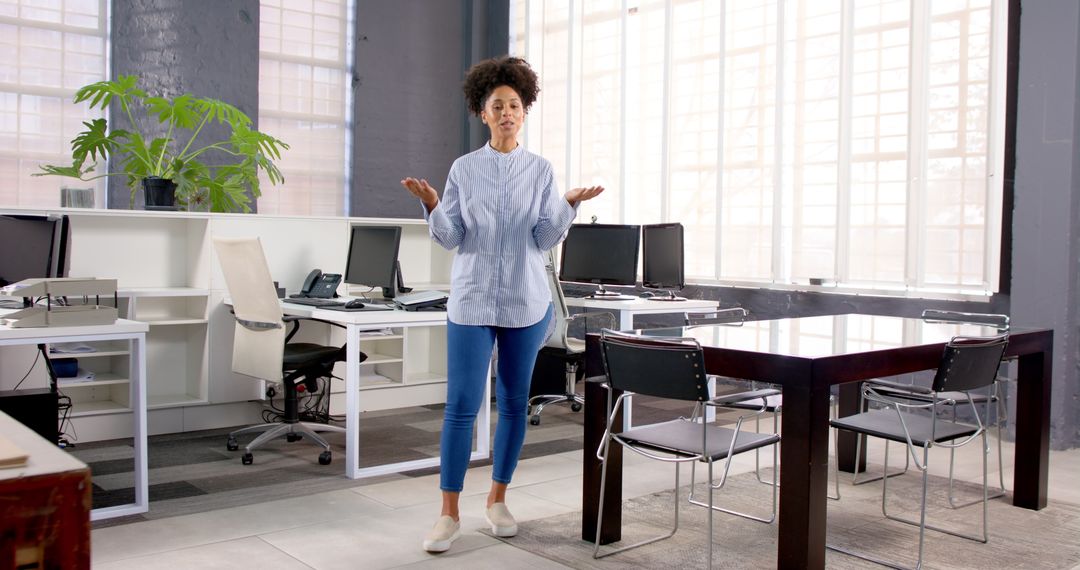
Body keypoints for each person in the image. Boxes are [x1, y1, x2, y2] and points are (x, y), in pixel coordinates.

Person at [401, 55, 604, 553]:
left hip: (525, 301)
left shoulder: (540, 170)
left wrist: (570, 204)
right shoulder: (463, 170)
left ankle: (497, 499)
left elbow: (543, 237)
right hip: (470, 301)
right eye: (498, 105)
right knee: (461, 406)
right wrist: (431, 205)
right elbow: (451, 238)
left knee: (514, 403)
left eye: (515, 104)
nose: (508, 112)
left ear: (525, 111)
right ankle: (448, 513)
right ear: (482, 112)